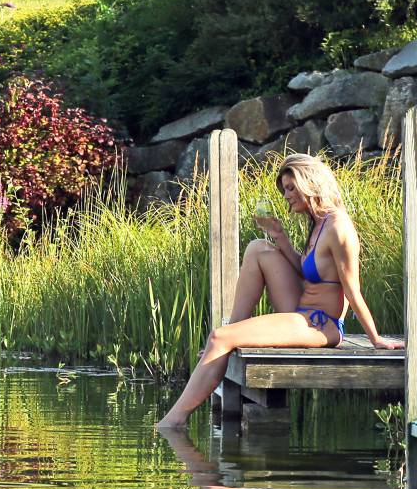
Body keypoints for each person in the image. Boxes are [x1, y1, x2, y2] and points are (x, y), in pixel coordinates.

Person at [156, 153, 400, 428]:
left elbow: (353, 291)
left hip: (321, 325)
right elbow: (304, 270)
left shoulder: (338, 227)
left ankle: (172, 423)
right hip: (302, 311)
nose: (286, 195)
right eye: (285, 189)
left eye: (291, 188)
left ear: (311, 183)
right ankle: (229, 334)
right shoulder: (319, 223)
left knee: (219, 337)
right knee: (258, 248)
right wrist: (279, 235)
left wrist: (376, 338)